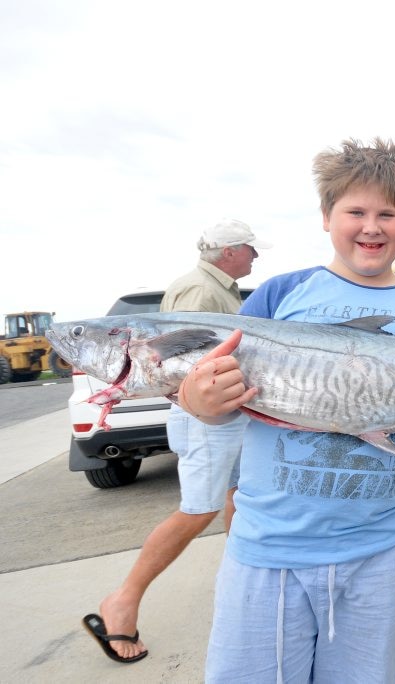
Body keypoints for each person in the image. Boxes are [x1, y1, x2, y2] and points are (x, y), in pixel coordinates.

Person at [175, 138, 395, 683]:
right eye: (355, 212)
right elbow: (224, 407)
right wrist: (198, 402)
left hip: (388, 545)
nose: (371, 226)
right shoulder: (280, 295)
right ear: (327, 216)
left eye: (387, 214)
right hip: (272, 545)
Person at [82, 219, 270, 664]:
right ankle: (122, 602)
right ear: (228, 252)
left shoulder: (216, 287)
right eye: (250, 249)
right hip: (206, 419)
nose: (255, 257)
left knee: (237, 496)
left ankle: (241, 583)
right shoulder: (198, 291)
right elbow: (176, 367)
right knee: (197, 509)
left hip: (227, 416)